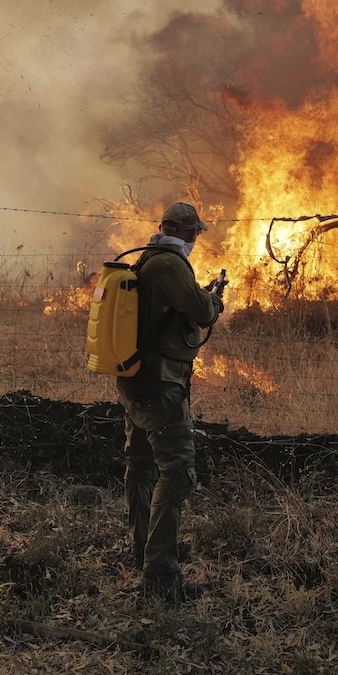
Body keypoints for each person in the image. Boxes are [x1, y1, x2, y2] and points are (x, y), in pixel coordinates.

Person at [116, 201, 224, 602]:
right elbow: (198, 312)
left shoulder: (147, 258)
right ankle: (160, 574)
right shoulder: (171, 264)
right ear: (190, 232)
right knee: (177, 473)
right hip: (160, 387)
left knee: (141, 465)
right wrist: (214, 300)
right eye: (196, 233)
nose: (196, 240)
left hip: (135, 381)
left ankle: (144, 547)